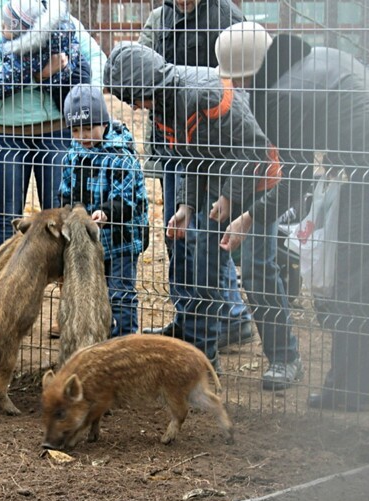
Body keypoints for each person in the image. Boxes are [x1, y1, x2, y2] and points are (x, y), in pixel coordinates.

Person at [215, 22, 369, 410]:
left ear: (246, 72)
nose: (235, 88)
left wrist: (250, 218)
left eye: (236, 79)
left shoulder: (278, 95)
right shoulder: (320, 56)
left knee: (358, 282)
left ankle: (348, 390)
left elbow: (295, 175)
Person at [103, 42, 302, 381]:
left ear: (147, 85)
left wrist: (229, 196)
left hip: (258, 183)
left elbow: (256, 149)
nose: (134, 107)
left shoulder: (207, 94)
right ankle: (206, 362)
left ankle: (286, 357)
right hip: (218, 186)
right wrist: (186, 206)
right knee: (204, 272)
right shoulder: (164, 105)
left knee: (257, 271)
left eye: (133, 97)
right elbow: (190, 159)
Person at [137, 0, 252, 350]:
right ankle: (192, 317)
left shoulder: (227, 16)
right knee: (180, 233)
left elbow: (244, 78)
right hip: (171, 140)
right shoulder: (159, 19)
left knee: (211, 236)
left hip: (216, 143)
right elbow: (140, 71)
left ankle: (229, 317)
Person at [0, 0, 105, 259]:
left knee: (60, 217)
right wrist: (48, 70)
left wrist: (84, 96)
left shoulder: (54, 10)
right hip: (6, 132)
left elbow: (96, 58)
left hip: (55, 130)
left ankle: (66, 287)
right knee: (6, 219)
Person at [57, 85, 148, 336]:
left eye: (89, 127)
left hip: (120, 241)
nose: (83, 135)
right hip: (89, 242)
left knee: (120, 294)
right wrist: (73, 211)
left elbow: (128, 200)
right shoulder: (72, 156)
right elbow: (67, 194)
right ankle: (103, 342)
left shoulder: (121, 156)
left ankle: (127, 342)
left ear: (104, 122)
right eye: (75, 129)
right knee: (95, 294)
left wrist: (105, 213)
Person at [0, 0, 91, 115]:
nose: (1, 28)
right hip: (81, 74)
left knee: (79, 119)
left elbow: (4, 83)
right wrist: (43, 75)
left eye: (5, 26)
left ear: (20, 33)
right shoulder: (58, 27)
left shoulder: (27, 57)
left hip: (70, 92)